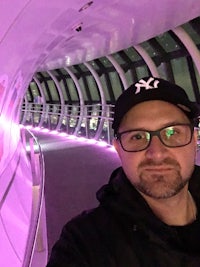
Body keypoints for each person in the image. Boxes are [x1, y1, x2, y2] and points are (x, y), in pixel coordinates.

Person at [46, 76, 200, 267]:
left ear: (194, 139)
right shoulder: (85, 243)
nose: (157, 153)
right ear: (119, 149)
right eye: (137, 136)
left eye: (172, 132)